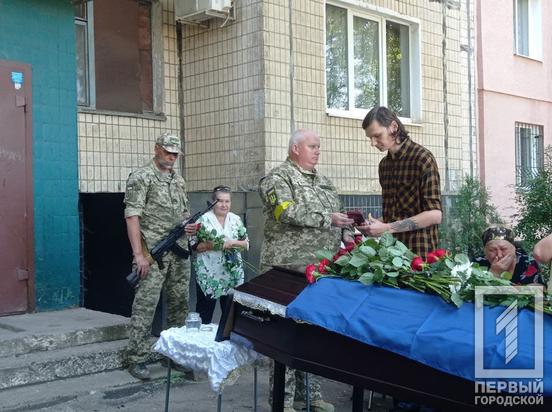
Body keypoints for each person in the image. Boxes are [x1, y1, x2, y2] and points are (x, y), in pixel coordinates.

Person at [259, 129, 354, 412]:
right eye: (312, 146)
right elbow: (284, 211)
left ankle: (310, 396)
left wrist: (349, 234)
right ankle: (283, 401)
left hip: (319, 270)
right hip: (286, 269)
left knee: (312, 333)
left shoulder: (324, 181)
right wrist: (328, 218)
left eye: (318, 147)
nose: (317, 151)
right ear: (295, 149)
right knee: (285, 334)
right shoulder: (278, 178)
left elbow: (339, 215)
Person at [123, 132, 198, 380]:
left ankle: (173, 354)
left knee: (179, 304)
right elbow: (132, 216)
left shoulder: (179, 180)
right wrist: (138, 255)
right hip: (152, 253)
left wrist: (188, 225)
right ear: (156, 149)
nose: (172, 157)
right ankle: (136, 357)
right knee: (145, 305)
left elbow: (183, 213)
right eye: (168, 152)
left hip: (179, 250)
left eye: (175, 154)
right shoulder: (141, 177)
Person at [358, 106, 442, 258]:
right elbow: (394, 215)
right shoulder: (384, 165)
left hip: (419, 253)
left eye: (377, 135)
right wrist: (374, 225)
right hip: (391, 253)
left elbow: (435, 214)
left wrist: (386, 228)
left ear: (394, 127)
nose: (373, 143)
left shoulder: (422, 158)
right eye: (370, 138)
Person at [193, 185, 249, 324]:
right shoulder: (202, 220)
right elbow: (195, 246)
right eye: (220, 201)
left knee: (231, 316)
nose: (224, 205)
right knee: (204, 314)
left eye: (227, 201)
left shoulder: (235, 219)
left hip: (232, 274)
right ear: (213, 202)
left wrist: (232, 243)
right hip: (209, 274)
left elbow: (246, 243)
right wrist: (217, 245)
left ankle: (227, 337)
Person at [475, 226, 545, 285]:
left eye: (504, 249)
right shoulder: (477, 264)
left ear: (514, 248)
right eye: (492, 250)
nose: (499, 255)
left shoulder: (527, 262)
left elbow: (541, 291)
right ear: (485, 251)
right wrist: (494, 274)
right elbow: (472, 293)